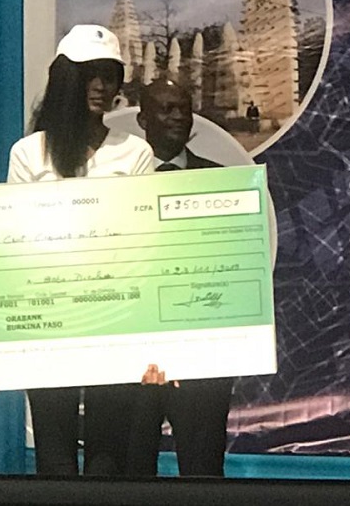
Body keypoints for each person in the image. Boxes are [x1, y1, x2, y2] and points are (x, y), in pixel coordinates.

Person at [0, 25, 155, 475]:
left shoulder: (135, 152)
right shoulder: (29, 153)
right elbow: (13, 238)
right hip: (48, 316)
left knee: (109, 454)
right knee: (54, 454)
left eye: (109, 75)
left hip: (115, 314)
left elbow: (143, 238)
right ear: (66, 80)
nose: (101, 86)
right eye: (89, 75)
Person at [125, 79, 234, 476]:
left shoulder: (222, 182)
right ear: (142, 119)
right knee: (131, 473)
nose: (177, 117)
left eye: (184, 109)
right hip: (132, 353)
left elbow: (233, 269)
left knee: (203, 474)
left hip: (201, 354)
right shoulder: (117, 185)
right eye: (166, 109)